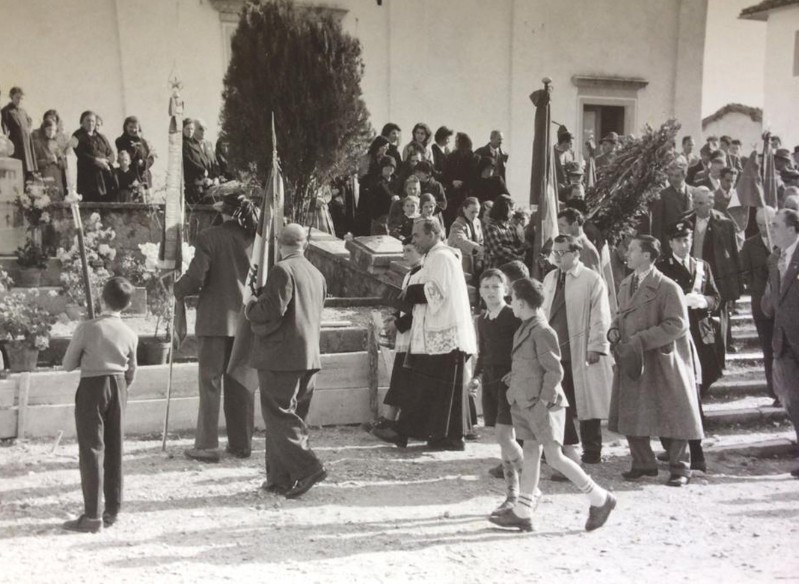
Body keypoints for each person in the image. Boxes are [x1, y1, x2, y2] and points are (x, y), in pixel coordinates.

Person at [489, 277, 616, 532]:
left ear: (522, 303)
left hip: (542, 406)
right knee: (532, 453)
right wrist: (518, 378)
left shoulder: (543, 330)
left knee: (555, 457)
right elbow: (532, 365)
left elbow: (554, 371)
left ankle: (600, 498)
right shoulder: (526, 326)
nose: (510, 303)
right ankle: (523, 511)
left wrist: (543, 401)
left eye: (512, 299)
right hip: (526, 403)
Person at [608, 236, 704, 487]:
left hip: (662, 361)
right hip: (633, 359)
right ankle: (643, 462)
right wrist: (614, 331)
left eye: (631, 249)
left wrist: (640, 339)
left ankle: (680, 468)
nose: (626, 253)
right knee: (631, 411)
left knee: (673, 413)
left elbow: (677, 325)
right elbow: (620, 316)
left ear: (648, 256)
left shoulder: (667, 287)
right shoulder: (627, 283)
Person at [374, 219, 477, 450]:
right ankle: (441, 436)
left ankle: (441, 437)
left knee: (436, 389)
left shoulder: (441, 256)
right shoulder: (435, 256)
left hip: (445, 336)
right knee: (436, 389)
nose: (415, 239)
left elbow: (435, 292)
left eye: (418, 235)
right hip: (437, 336)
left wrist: (408, 291)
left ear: (432, 234)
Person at [245, 224, 328, 496]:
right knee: (292, 418)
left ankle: (308, 467)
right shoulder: (317, 274)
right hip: (308, 356)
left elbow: (271, 310)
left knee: (278, 416)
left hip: (281, 357)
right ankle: (279, 478)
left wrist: (251, 306)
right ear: (304, 244)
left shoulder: (282, 270)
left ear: (280, 244)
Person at [174, 193, 257, 463]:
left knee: (210, 383)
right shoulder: (256, 240)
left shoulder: (210, 237)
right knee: (241, 383)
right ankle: (241, 444)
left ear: (224, 213)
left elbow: (197, 276)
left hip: (215, 320)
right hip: (245, 322)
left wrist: (178, 288)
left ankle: (208, 444)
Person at [61, 277, 138, 533]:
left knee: (92, 449)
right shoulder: (130, 333)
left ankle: (92, 516)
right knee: (115, 447)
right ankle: (112, 509)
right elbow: (132, 371)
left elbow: (67, 364)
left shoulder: (87, 328)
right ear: (125, 306)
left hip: (92, 388)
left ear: (102, 299)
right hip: (119, 387)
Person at [542, 235, 613, 468]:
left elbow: (600, 315)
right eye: (556, 252)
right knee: (559, 400)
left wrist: (597, 345)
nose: (558, 257)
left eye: (563, 252)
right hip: (555, 350)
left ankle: (592, 449)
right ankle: (561, 447)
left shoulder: (591, 279)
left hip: (580, 349)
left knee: (586, 400)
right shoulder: (550, 278)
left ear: (576, 253)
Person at [656, 222, 722, 471]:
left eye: (687, 240)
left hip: (701, 335)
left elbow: (717, 297)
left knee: (698, 388)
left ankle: (680, 445)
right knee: (684, 393)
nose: (684, 245)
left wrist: (704, 300)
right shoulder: (662, 268)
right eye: (679, 240)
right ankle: (694, 452)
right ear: (670, 243)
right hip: (676, 336)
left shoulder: (702, 266)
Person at [470, 269, 523, 514]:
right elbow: (483, 352)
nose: (491, 292)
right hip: (491, 382)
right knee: (502, 440)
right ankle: (512, 494)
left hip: (511, 383)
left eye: (496, 287)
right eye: (486, 287)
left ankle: (527, 477)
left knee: (505, 436)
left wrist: (517, 371)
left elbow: (525, 347)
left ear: (506, 290)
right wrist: (476, 377)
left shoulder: (514, 316)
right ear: (480, 292)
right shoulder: (482, 320)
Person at [762, 208, 799, 478]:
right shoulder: (774, 259)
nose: (771, 229)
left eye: (775, 225)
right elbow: (771, 306)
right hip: (783, 342)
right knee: (793, 401)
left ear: (791, 229)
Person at [372, 238, 423, 432]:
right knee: (399, 378)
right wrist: (394, 317)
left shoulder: (422, 274)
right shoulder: (409, 274)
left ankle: (394, 421)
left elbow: (418, 309)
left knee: (404, 379)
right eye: (404, 251)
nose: (405, 255)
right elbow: (405, 304)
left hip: (413, 336)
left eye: (409, 251)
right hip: (404, 335)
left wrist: (399, 323)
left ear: (420, 251)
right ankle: (389, 419)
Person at [683, 187, 741, 357]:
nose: (696, 206)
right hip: (691, 276)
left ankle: (719, 356)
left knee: (718, 319)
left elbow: (733, 257)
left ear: (711, 203)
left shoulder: (724, 223)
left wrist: (734, 290)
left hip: (716, 278)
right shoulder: (686, 222)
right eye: (694, 202)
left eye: (700, 203)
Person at [741, 207, 777, 404]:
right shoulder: (749, 245)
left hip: (782, 304)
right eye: (761, 225)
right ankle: (774, 392)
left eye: (769, 225)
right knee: (768, 348)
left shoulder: (783, 242)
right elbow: (744, 272)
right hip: (761, 303)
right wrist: (757, 287)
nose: (765, 229)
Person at [73, 111, 115, 202]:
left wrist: (107, 161)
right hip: (88, 176)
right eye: (88, 120)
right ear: (82, 122)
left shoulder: (102, 137)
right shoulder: (76, 136)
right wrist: (96, 160)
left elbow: (111, 153)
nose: (91, 123)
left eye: (93, 121)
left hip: (104, 175)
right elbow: (80, 153)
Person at [651, 161, 692, 247]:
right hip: (670, 243)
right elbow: (657, 224)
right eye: (671, 175)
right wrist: (658, 245)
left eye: (677, 176)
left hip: (689, 242)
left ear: (685, 176)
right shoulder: (663, 195)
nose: (673, 179)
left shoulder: (694, 192)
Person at [483, 195, 527, 269]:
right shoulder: (491, 227)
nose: (514, 213)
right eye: (512, 210)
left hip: (511, 268)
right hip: (497, 269)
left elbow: (518, 246)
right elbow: (498, 250)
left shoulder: (512, 227)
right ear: (504, 210)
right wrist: (517, 258)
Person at [1, 86, 37, 176]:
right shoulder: (6, 111)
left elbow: (28, 125)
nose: (19, 100)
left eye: (21, 98)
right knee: (18, 169)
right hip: (16, 146)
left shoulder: (23, 112)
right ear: (11, 96)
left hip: (27, 145)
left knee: (28, 170)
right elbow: (4, 130)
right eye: (17, 97)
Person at [443, 132, 476, 225]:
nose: (456, 143)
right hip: (454, 193)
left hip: (465, 193)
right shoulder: (452, 156)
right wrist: (453, 182)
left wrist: (461, 183)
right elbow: (445, 174)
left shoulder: (472, 157)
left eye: (458, 141)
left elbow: (473, 176)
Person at [447, 197, 484, 278]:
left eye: (477, 212)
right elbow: (461, 240)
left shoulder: (477, 222)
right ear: (464, 209)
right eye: (472, 212)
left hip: (474, 263)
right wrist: (477, 247)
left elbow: (481, 241)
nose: (474, 215)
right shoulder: (457, 224)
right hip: (461, 263)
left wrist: (479, 260)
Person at [114, 116, 155, 189]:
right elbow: (126, 157)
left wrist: (144, 163)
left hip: (145, 177)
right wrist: (135, 143)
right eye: (130, 127)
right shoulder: (120, 141)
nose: (133, 130)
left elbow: (151, 158)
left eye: (135, 127)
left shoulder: (143, 141)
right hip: (130, 176)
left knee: (147, 199)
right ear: (126, 127)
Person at [31, 118, 67, 197]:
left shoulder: (56, 144)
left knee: (58, 197)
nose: (51, 132)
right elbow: (34, 162)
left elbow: (64, 163)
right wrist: (47, 161)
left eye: (53, 130)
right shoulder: (37, 143)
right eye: (49, 129)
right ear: (44, 129)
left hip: (57, 177)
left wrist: (57, 161)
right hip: (44, 176)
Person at [364, 155, 398, 235]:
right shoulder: (375, 180)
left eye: (391, 166)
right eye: (386, 166)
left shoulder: (397, 180)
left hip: (393, 216)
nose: (389, 168)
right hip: (378, 216)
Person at [182, 118, 209, 203]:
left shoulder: (195, 143)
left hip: (200, 180)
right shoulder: (183, 143)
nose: (190, 131)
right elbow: (187, 160)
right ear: (183, 129)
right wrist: (202, 169)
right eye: (187, 129)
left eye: (192, 129)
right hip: (190, 182)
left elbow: (203, 159)